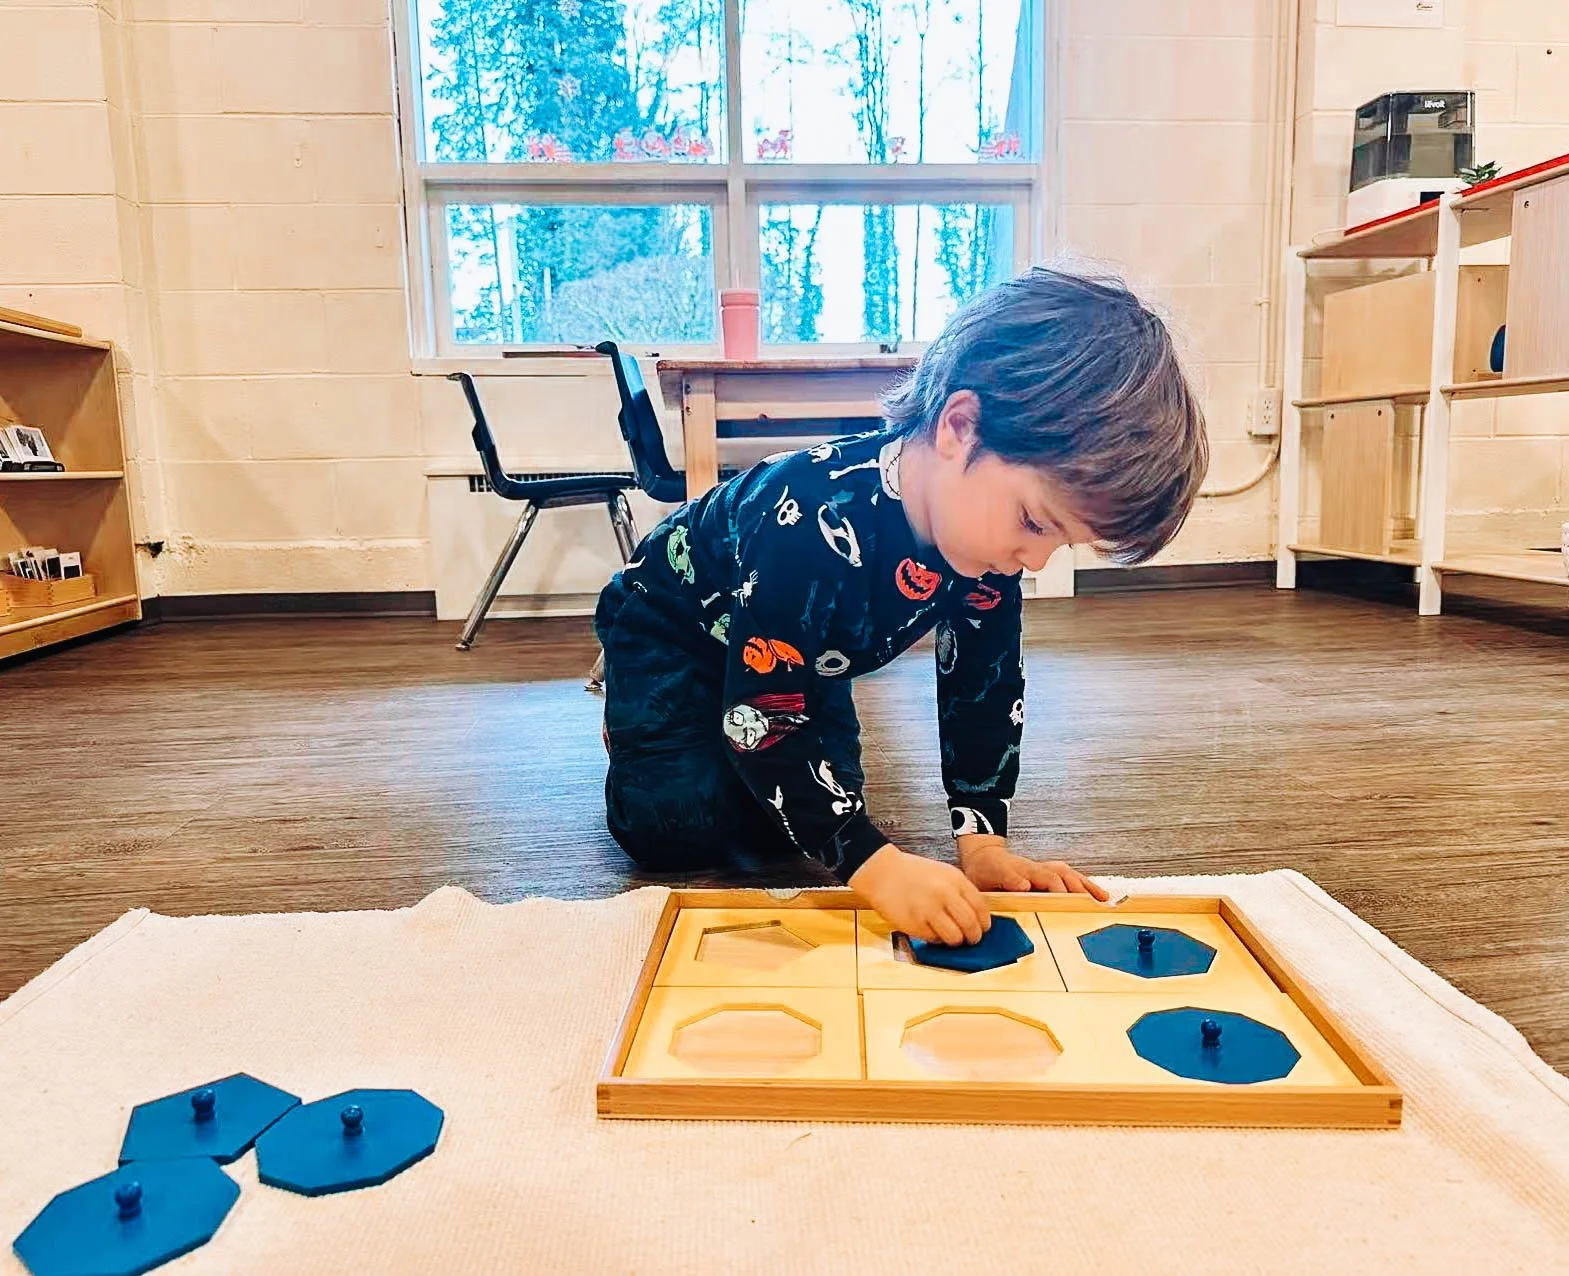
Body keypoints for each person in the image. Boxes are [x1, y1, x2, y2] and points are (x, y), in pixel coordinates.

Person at [593, 267, 1209, 946]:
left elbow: (984, 688)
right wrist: (872, 864)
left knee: (809, 811)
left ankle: (713, 737)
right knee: (677, 830)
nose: (1036, 561)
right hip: (672, 625)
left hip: (799, 652)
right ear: (959, 427)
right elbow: (761, 720)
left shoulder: (985, 548)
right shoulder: (809, 525)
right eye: (1037, 524)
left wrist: (984, 845)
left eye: (1063, 542)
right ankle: (632, 715)